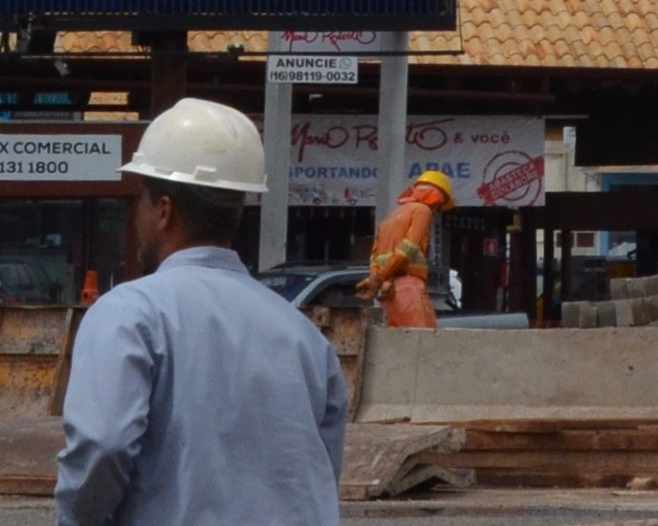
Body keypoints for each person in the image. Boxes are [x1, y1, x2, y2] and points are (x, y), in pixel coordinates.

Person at [56, 96, 346, 526]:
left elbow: (104, 443)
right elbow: (318, 470)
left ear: (164, 210)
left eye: (141, 200)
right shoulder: (301, 333)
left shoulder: (130, 313)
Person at [362, 168, 453, 327]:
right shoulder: (422, 211)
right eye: (439, 205)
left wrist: (378, 278)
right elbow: (409, 248)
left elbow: (374, 257)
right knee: (422, 340)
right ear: (436, 199)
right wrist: (382, 276)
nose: (436, 211)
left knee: (401, 340)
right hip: (408, 285)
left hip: (388, 290)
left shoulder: (389, 218)